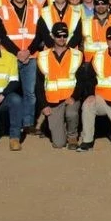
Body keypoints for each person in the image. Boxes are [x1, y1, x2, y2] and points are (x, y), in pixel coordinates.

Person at [0, 0, 44, 136]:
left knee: (30, 93)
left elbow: (40, 34)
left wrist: (28, 51)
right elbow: (1, 36)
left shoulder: (36, 9)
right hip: (11, 57)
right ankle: (7, 123)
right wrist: (17, 52)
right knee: (8, 91)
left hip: (30, 58)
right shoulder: (3, 10)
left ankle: (28, 123)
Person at [36, 21, 83, 149]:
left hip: (70, 98)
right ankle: (57, 128)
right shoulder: (42, 57)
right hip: (52, 101)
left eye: (64, 35)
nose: (62, 39)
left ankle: (72, 136)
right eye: (58, 36)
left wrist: (74, 96)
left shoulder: (77, 55)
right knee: (59, 143)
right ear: (52, 36)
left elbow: (81, 81)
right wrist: (44, 105)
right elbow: (39, 85)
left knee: (71, 114)